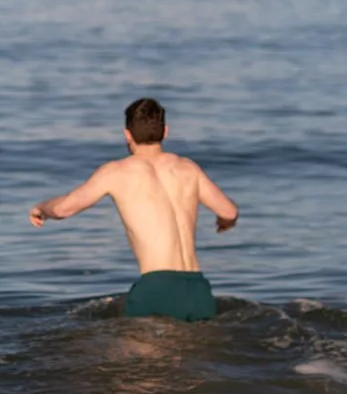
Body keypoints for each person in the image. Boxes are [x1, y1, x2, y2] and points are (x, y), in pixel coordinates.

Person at [30, 97, 239, 321]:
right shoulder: (188, 168)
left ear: (127, 134)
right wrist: (224, 223)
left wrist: (41, 208)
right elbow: (229, 211)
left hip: (156, 288)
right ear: (165, 132)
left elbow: (64, 209)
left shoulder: (117, 171)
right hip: (198, 290)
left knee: (135, 355)